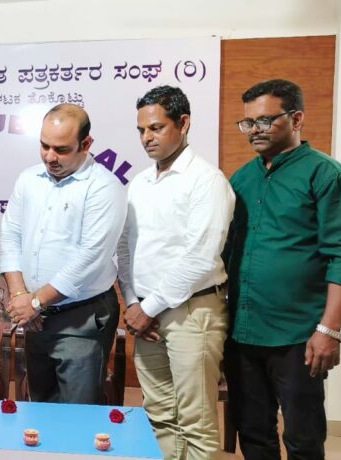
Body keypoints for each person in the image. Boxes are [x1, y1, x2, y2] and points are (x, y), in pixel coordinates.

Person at [224, 79, 341, 459]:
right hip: (243, 332)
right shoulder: (242, 179)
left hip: (298, 335)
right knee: (253, 432)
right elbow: (227, 252)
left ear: (297, 118)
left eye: (265, 120)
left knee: (303, 438)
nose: (254, 130)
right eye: (248, 122)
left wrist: (329, 330)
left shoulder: (328, 176)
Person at [116, 85, 234, 459]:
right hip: (145, 314)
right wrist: (133, 304)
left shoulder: (207, 180)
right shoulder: (139, 182)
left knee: (195, 422)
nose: (146, 138)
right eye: (141, 130)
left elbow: (200, 258)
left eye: (156, 128)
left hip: (192, 312)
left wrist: (147, 308)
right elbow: (125, 247)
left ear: (183, 123)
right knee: (160, 415)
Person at [0, 103, 127, 404]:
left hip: (80, 318)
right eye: (44, 146)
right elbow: (10, 236)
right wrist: (21, 296)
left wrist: (35, 302)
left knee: (77, 415)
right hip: (35, 318)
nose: (50, 157)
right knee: (41, 408)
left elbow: (90, 259)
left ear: (86, 144)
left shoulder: (103, 187)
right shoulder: (28, 179)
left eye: (61, 149)